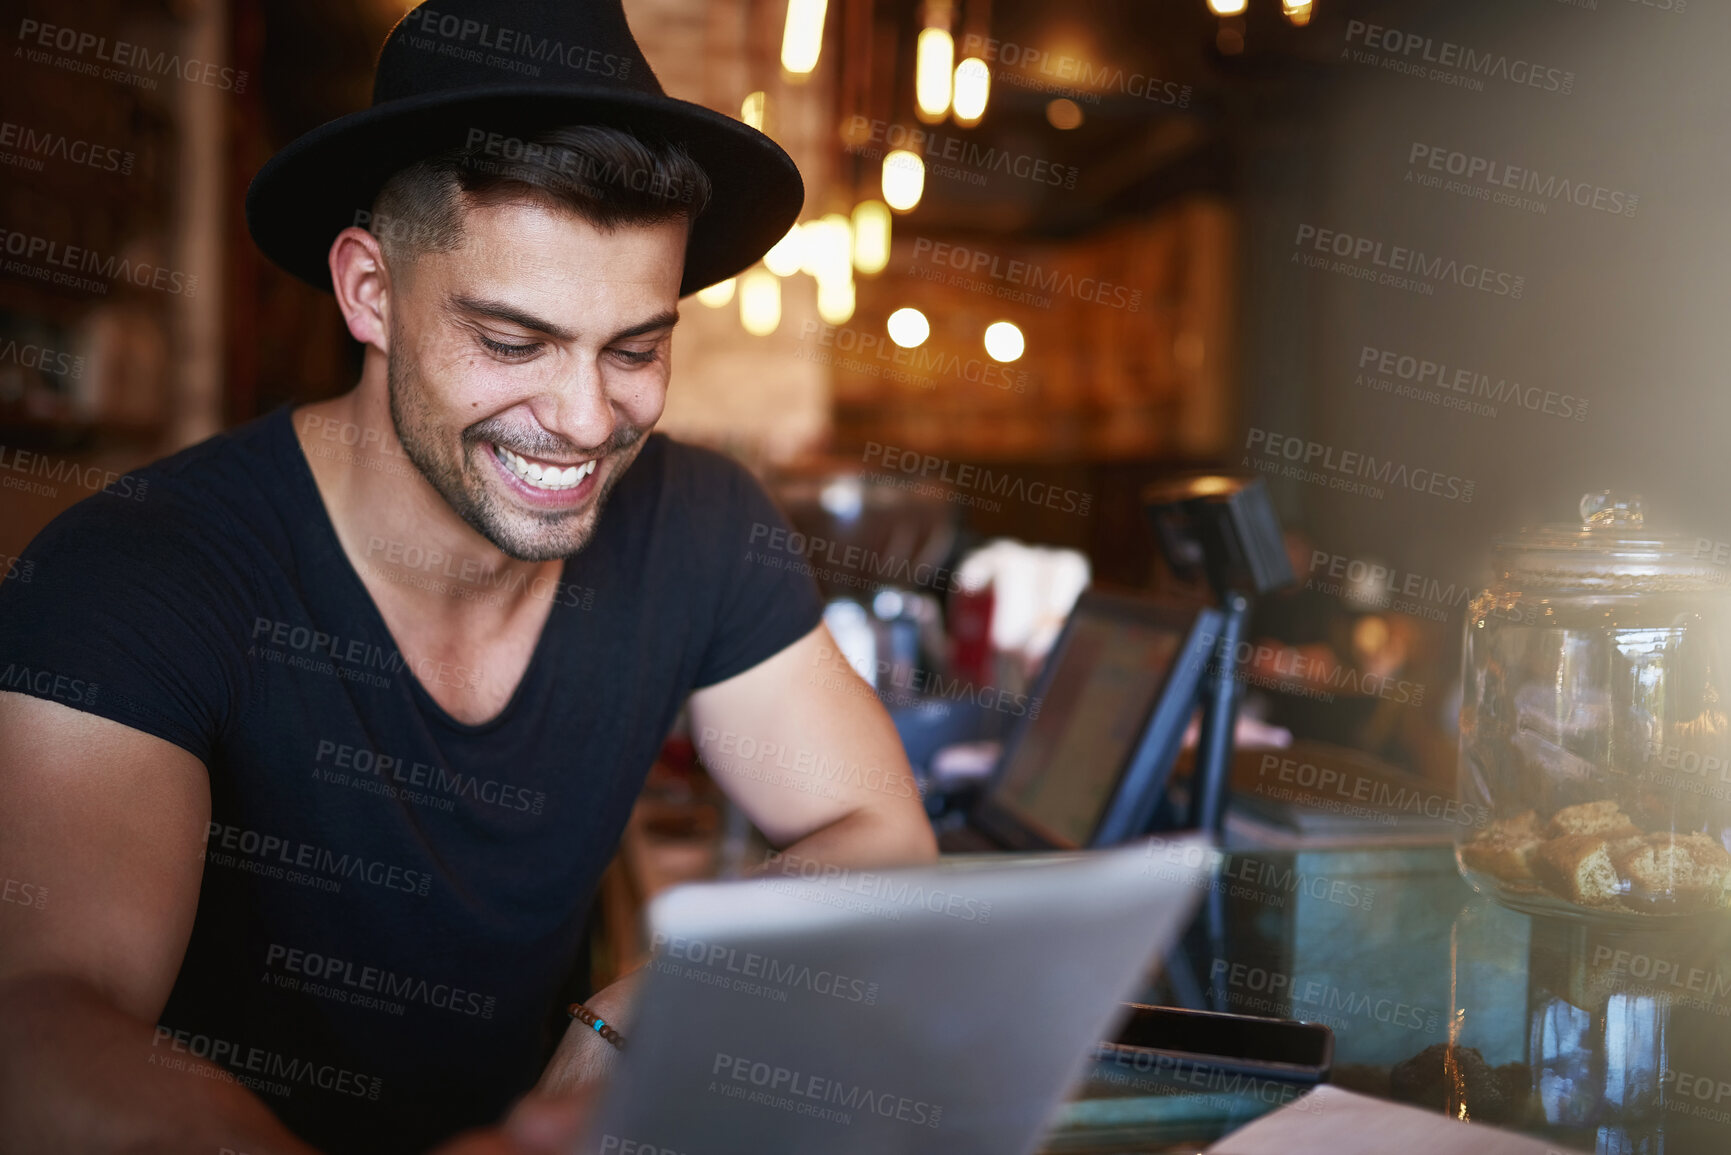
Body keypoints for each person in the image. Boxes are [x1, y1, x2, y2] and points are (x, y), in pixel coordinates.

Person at [0, 2, 936, 1153]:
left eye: (636, 349)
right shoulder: (139, 571)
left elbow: (877, 835)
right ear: (369, 292)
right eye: (511, 343)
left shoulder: (698, 522)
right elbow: (38, 1021)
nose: (587, 420)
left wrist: (630, 1019)